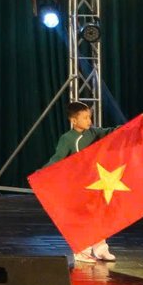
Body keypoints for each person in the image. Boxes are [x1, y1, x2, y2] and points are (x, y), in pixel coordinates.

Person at [47, 101, 115, 263]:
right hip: (78, 185)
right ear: (74, 120)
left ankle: (100, 249)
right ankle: (81, 251)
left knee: (99, 215)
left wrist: (136, 124)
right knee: (82, 218)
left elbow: (112, 131)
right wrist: (43, 173)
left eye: (89, 117)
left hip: (95, 182)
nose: (89, 121)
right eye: (85, 118)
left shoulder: (93, 132)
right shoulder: (67, 139)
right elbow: (57, 159)